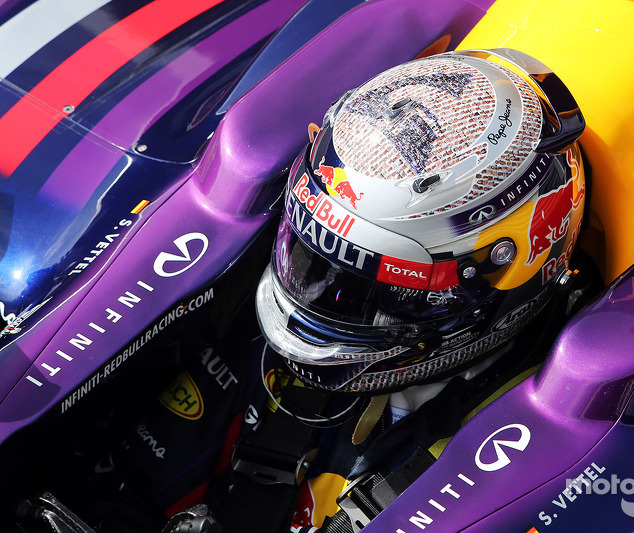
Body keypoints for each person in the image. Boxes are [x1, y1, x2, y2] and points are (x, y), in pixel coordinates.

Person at [16, 49, 597, 533]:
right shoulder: (263, 355)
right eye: (311, 260)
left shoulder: (555, 457)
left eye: (363, 290)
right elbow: (123, 496)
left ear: (501, 272)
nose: (319, 299)